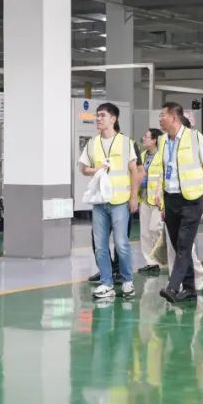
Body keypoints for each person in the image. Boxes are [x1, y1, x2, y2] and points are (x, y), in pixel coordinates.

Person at [151, 102, 203, 304]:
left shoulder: (195, 137)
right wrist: (161, 197)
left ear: (174, 117)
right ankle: (189, 289)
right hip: (171, 199)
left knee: (184, 244)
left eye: (162, 115)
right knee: (177, 243)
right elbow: (163, 169)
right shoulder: (162, 140)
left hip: (192, 199)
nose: (160, 119)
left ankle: (172, 286)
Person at [78, 103, 140, 300]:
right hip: (99, 202)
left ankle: (127, 281)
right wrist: (95, 169)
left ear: (113, 119)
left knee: (121, 243)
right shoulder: (92, 143)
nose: (98, 119)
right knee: (100, 245)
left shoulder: (126, 142)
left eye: (102, 115)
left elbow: (134, 171)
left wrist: (134, 197)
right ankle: (106, 283)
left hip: (120, 201)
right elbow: (83, 168)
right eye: (97, 116)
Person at [135, 128, 164, 275]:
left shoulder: (162, 156)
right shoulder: (142, 156)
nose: (143, 139)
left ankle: (161, 257)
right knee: (145, 233)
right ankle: (151, 263)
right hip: (145, 198)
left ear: (154, 140)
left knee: (154, 228)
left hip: (158, 200)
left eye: (146, 137)